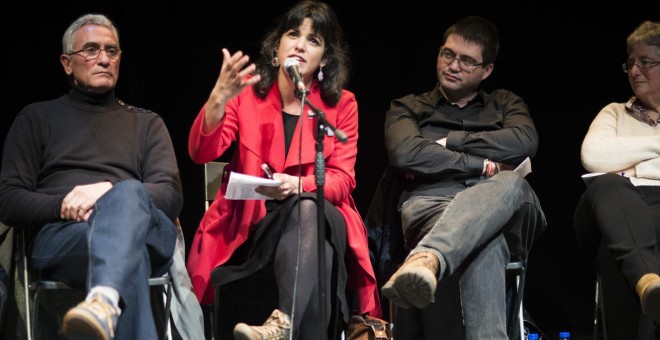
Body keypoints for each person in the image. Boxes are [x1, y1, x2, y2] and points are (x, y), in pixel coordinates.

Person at [185, 1, 380, 339]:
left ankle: (279, 325)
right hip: (255, 224)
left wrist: (298, 184)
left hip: (321, 214)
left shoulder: (341, 104)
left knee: (308, 208)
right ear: (277, 47)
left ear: (325, 59)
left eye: (314, 40)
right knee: (322, 255)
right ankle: (283, 326)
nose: (301, 45)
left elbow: (342, 180)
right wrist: (217, 99)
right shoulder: (246, 95)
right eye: (293, 34)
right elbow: (202, 152)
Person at [0, 14, 183, 340]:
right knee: (130, 253)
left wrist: (109, 193)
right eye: (91, 50)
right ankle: (107, 298)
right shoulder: (36, 118)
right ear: (67, 64)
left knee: (127, 194)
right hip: (68, 234)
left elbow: (170, 195)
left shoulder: (147, 123)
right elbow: (10, 200)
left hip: (146, 227)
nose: (103, 58)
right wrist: (63, 205)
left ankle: (103, 298)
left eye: (111, 51)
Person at [379, 16, 547, 338]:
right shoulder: (408, 107)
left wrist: (454, 142)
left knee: (512, 181)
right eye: (447, 54)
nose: (453, 65)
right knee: (486, 243)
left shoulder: (505, 103)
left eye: (467, 61)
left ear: (487, 70)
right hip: (432, 206)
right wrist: (484, 165)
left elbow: (525, 142)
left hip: (510, 207)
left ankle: (429, 258)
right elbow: (405, 153)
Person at [573, 20, 660, 333]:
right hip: (614, 205)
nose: (635, 70)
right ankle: (648, 280)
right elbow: (595, 157)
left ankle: (648, 283)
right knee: (609, 182)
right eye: (631, 63)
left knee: (614, 253)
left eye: (646, 62)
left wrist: (635, 167)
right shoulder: (614, 112)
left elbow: (613, 157)